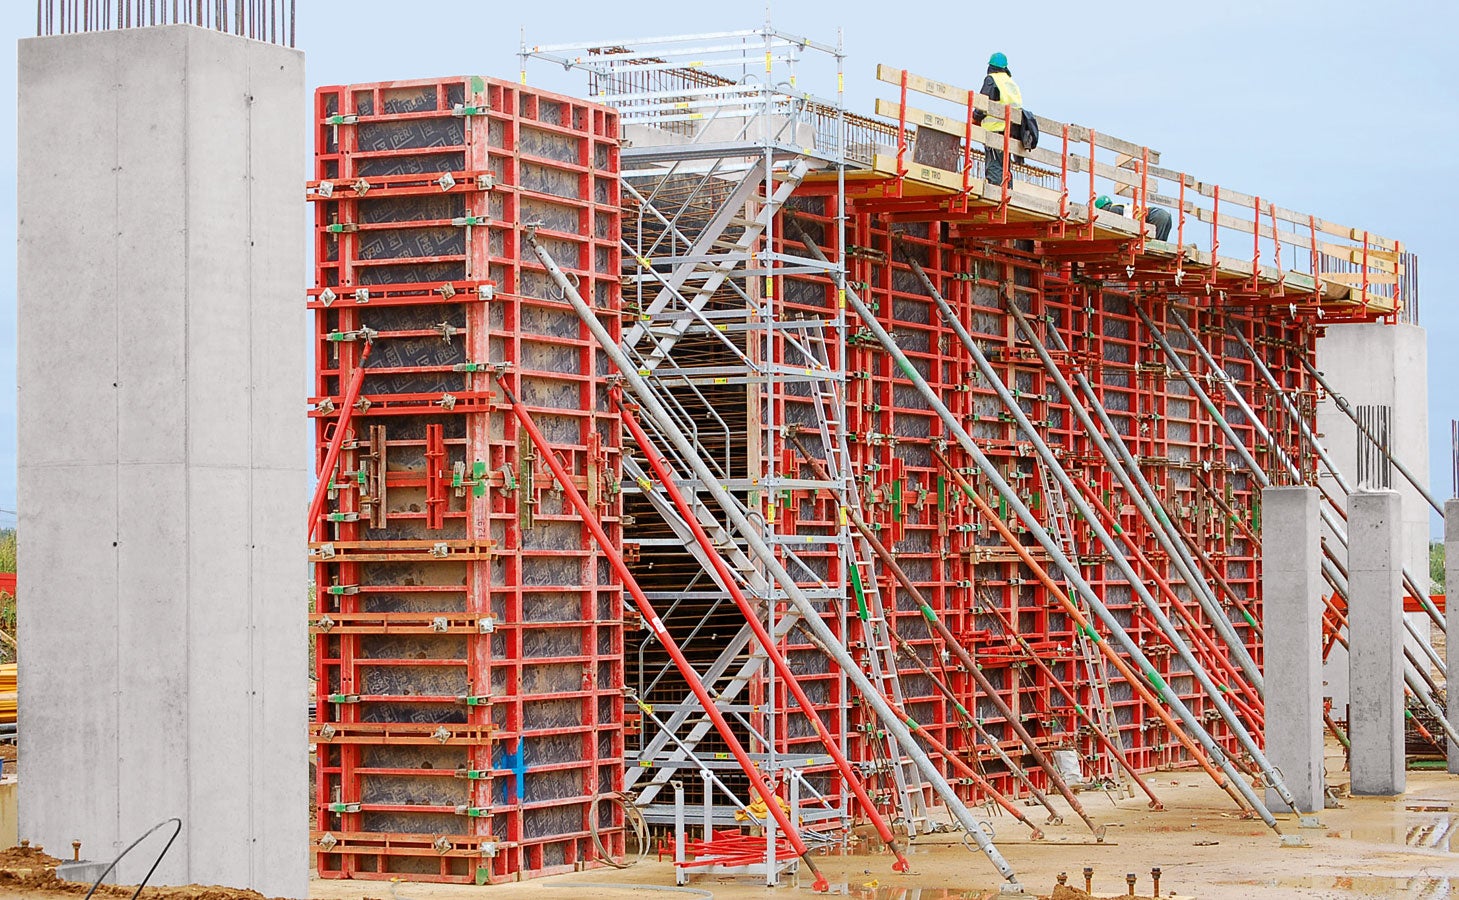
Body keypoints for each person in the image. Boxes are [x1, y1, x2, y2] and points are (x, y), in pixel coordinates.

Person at [972, 52, 1021, 190]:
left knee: (994, 164)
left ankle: (996, 192)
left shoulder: (991, 80)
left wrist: (975, 117)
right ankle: (1008, 191)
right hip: (1011, 131)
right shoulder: (1011, 83)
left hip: (995, 128)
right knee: (1005, 164)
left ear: (991, 66)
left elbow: (983, 103)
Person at [1095, 194, 1173, 242]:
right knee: (1161, 245)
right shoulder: (1119, 206)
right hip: (1164, 215)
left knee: (1156, 246)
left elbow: (1118, 227)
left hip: (1155, 216)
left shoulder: (1113, 209)